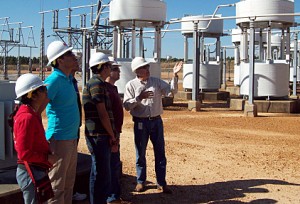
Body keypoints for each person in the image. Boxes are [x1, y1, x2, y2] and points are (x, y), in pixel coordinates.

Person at [123, 57, 183, 194]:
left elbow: (171, 91)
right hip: (140, 122)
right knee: (140, 153)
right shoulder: (131, 85)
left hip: (156, 121)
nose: (148, 69)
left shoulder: (156, 82)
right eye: (144, 67)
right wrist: (139, 98)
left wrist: (174, 75)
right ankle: (140, 181)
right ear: (137, 70)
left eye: (148, 67)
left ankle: (161, 183)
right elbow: (126, 106)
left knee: (160, 153)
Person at [8, 73, 56, 203]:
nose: (46, 92)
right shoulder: (26, 117)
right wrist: (46, 158)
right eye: (42, 90)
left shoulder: (28, 114)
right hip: (31, 172)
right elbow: (24, 153)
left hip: (35, 170)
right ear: (32, 95)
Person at [45, 41, 80, 204]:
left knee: (68, 185)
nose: (74, 57)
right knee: (56, 188)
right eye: (70, 55)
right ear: (60, 60)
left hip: (71, 139)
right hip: (59, 139)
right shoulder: (53, 81)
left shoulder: (67, 80)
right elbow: (36, 110)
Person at [82, 52, 118, 204]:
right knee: (101, 173)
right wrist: (112, 135)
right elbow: (102, 113)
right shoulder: (96, 84)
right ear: (103, 67)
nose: (111, 69)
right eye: (109, 66)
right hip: (99, 135)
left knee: (100, 171)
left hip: (100, 134)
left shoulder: (98, 83)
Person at [106, 58, 124, 204]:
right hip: (110, 134)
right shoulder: (105, 88)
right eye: (116, 69)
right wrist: (112, 135)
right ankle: (112, 197)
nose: (119, 72)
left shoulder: (114, 88)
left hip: (115, 132)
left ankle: (115, 195)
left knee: (114, 163)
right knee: (111, 164)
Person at [71, 66, 88, 202]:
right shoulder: (57, 81)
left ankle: (71, 191)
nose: (76, 61)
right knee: (62, 167)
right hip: (63, 133)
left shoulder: (72, 80)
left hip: (74, 129)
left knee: (71, 164)